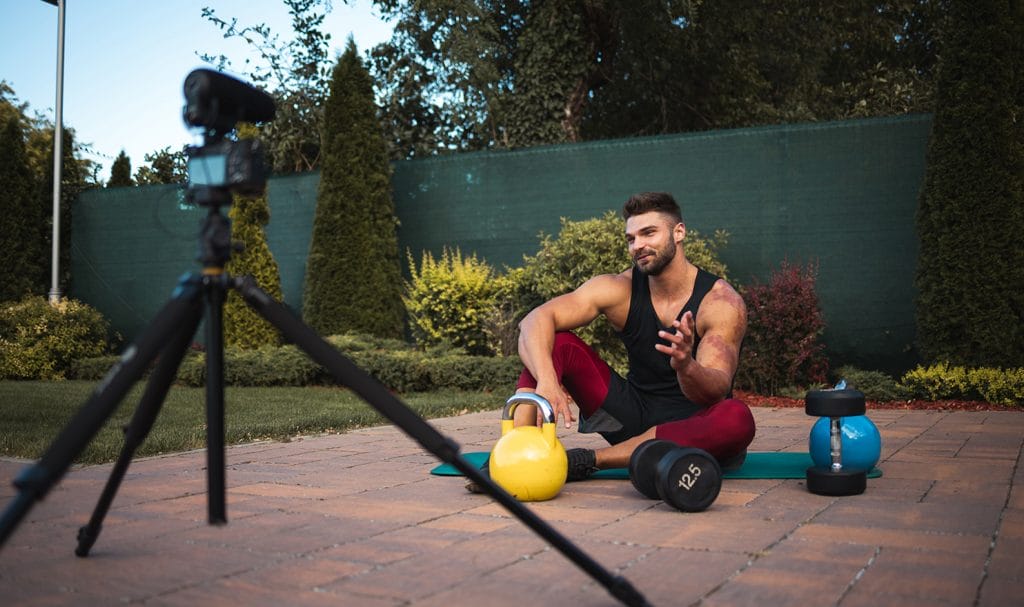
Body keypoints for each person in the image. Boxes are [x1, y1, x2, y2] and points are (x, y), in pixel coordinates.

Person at [488, 191, 755, 486]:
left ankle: (590, 460)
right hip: (633, 415)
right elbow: (534, 320)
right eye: (631, 238)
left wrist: (687, 366)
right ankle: (517, 455)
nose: (638, 245)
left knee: (737, 418)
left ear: (679, 233)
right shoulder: (620, 288)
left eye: (649, 233)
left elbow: (715, 390)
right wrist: (548, 380)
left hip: (693, 427)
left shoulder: (720, 302)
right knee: (556, 343)